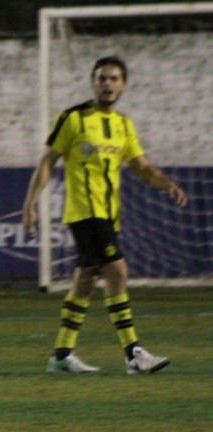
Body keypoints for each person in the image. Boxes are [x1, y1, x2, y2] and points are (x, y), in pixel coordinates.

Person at [22, 55, 188, 375]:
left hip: (110, 215)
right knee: (118, 272)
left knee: (86, 280)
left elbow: (142, 168)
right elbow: (47, 162)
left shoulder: (125, 126)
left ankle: (62, 354)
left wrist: (166, 184)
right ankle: (133, 353)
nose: (107, 84)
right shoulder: (73, 119)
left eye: (113, 79)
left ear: (123, 85)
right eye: (102, 78)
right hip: (84, 213)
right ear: (93, 83)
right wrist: (30, 203)